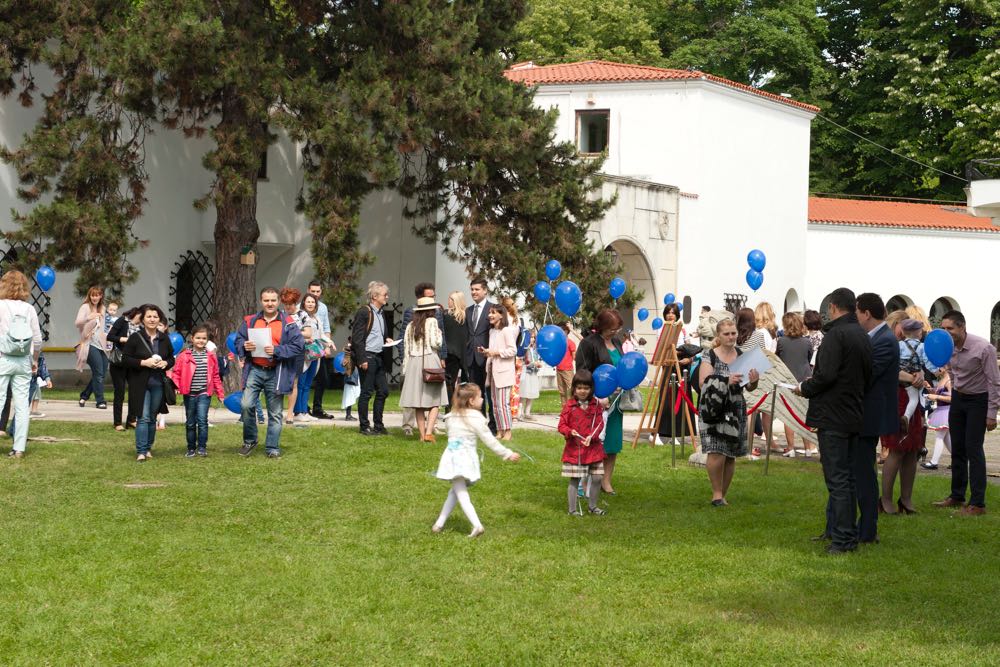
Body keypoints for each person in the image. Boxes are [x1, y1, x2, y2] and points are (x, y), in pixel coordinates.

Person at [796, 288, 872, 555]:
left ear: (833, 308)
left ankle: (842, 539)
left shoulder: (836, 335)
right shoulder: (861, 334)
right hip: (852, 413)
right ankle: (846, 535)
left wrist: (805, 388)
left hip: (833, 415)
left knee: (838, 479)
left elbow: (825, 375)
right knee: (847, 479)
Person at [823, 292, 898, 544]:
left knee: (863, 475)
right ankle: (838, 526)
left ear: (866, 313)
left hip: (867, 418)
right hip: (855, 414)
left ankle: (867, 531)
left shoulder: (884, 340)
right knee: (847, 473)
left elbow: (866, 376)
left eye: (856, 312)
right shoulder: (873, 338)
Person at [431, 383, 520, 537]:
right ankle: (454, 524)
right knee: (457, 491)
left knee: (457, 490)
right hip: (464, 460)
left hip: (453, 459)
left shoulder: (452, 417)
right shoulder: (475, 418)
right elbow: (489, 440)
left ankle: (445, 524)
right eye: (479, 397)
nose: (481, 400)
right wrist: (506, 453)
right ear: (471, 401)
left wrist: (506, 453)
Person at [933, 310, 1000, 516]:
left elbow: (994, 382)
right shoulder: (948, 347)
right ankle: (957, 495)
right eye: (943, 329)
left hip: (978, 401)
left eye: (950, 328)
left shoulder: (983, 348)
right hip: (959, 400)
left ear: (962, 327)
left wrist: (991, 413)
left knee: (973, 449)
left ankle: (978, 504)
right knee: (958, 449)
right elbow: (951, 371)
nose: (946, 333)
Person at [235, 287, 305, 457]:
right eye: (266, 300)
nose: (270, 303)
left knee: (274, 413)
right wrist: (244, 346)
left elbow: (298, 345)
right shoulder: (250, 320)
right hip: (255, 370)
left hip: (276, 372)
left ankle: (272, 447)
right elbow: (239, 340)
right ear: (261, 301)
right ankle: (250, 440)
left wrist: (277, 350)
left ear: (278, 301)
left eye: (273, 300)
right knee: (246, 405)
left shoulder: (288, 322)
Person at [698, 318, 759, 506]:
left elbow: (749, 388)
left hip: (735, 409)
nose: (731, 337)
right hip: (714, 408)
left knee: (731, 453)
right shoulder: (710, 355)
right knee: (715, 451)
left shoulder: (743, 355)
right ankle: (716, 493)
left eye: (733, 333)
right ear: (719, 335)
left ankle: (722, 495)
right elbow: (703, 382)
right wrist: (726, 380)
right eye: (727, 333)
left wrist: (754, 380)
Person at [880, 313, 930, 515]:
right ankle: (886, 500)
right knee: (897, 448)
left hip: (911, 397)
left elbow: (921, 366)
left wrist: (920, 375)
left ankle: (906, 499)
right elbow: (888, 370)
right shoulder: (890, 344)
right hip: (896, 397)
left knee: (913, 449)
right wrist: (913, 377)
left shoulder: (910, 346)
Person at [576, 309, 626, 495]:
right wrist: (596, 395)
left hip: (616, 402)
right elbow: (582, 372)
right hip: (596, 401)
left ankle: (606, 481)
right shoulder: (588, 344)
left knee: (612, 443)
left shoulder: (617, 341)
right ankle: (585, 483)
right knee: (593, 442)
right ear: (602, 327)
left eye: (618, 328)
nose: (616, 332)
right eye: (612, 328)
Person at [121, 304, 175, 462]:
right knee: (143, 417)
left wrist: (165, 363)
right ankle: (141, 451)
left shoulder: (164, 338)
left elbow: (171, 358)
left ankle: (149, 447)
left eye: (155, 317)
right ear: (143, 319)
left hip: (158, 383)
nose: (152, 319)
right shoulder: (135, 338)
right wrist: (144, 363)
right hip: (140, 383)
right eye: (149, 316)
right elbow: (125, 359)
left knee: (152, 417)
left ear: (160, 319)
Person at [0, 271, 43, 459]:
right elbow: (38, 340)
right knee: (22, 406)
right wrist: (34, 360)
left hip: (3, 358)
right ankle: (19, 448)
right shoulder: (29, 309)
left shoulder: (0, 306)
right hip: (24, 361)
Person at [170, 325, 225, 457]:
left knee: (202, 420)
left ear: (207, 340)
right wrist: (177, 386)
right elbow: (176, 373)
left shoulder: (211, 356)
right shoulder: (184, 356)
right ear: (192, 338)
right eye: (198, 338)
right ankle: (190, 448)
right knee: (190, 422)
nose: (201, 340)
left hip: (204, 394)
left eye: (204, 338)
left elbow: (216, 376)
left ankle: (201, 447)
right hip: (189, 394)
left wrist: (220, 393)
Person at [400, 282, 446, 435]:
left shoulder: (410, 326)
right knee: (434, 401)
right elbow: (436, 343)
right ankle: (428, 432)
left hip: (414, 362)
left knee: (418, 403)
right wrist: (438, 333)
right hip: (429, 360)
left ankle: (421, 435)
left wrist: (405, 368)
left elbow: (406, 348)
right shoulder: (432, 322)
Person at [558, 370, 607, 515]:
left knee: (598, 477)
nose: (583, 391)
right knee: (575, 479)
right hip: (576, 449)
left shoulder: (596, 405)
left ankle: (593, 507)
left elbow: (600, 423)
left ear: (591, 389)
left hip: (594, 448)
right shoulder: (569, 406)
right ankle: (572, 510)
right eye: (579, 388)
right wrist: (569, 431)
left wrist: (593, 436)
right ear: (574, 388)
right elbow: (561, 425)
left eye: (586, 388)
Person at [351, 281, 392, 436]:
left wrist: (386, 339)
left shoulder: (381, 313)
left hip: (379, 356)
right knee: (367, 392)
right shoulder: (364, 312)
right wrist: (362, 359)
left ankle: (378, 425)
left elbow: (378, 334)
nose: (387, 297)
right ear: (375, 296)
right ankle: (364, 426)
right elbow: (357, 338)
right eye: (384, 294)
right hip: (368, 356)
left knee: (383, 391)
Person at [775, 312, 817, 457]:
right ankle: (808, 448)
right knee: (805, 414)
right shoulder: (807, 342)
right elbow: (809, 357)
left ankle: (791, 447)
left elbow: (777, 359)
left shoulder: (781, 341)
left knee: (789, 415)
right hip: (804, 379)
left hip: (787, 380)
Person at [737, 306, 775, 459]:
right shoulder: (758, 335)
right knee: (751, 411)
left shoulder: (735, 335)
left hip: (738, 372)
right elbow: (763, 354)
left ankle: (741, 444)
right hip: (753, 374)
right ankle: (748, 446)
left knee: (742, 411)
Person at [655, 302, 694, 446]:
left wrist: (687, 358)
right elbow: (662, 348)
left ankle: (677, 434)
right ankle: (660, 432)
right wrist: (674, 352)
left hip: (682, 367)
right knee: (667, 399)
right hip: (668, 365)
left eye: (673, 312)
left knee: (682, 399)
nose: (670, 315)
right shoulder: (662, 328)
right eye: (668, 312)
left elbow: (690, 349)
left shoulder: (683, 330)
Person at [464, 277, 496, 433]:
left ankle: (493, 425)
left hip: (488, 357)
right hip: (471, 357)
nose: (473, 292)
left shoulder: (493, 309)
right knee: (476, 392)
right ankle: (480, 423)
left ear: (485, 290)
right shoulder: (468, 310)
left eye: (477, 289)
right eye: (472, 289)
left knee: (490, 393)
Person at [482, 303, 518, 441]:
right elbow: (493, 350)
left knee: (503, 404)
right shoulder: (492, 332)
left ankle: (508, 431)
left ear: (501, 315)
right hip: (492, 371)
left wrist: (495, 352)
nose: (490, 315)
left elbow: (512, 350)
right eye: (489, 312)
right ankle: (500, 430)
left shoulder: (507, 331)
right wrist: (487, 353)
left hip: (504, 372)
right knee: (495, 404)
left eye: (493, 312)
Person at [293, 293, 330, 423]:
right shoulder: (300, 317)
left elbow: (321, 334)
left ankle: (304, 411)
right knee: (301, 384)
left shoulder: (316, 318)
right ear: (303, 303)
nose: (310, 304)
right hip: (304, 354)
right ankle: (297, 411)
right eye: (308, 301)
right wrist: (307, 339)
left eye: (313, 302)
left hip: (315, 354)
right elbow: (296, 333)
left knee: (308, 384)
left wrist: (329, 342)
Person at [899, 318, 937, 432]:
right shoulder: (922, 346)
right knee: (915, 398)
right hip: (916, 376)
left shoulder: (899, 344)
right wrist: (936, 370)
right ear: (918, 333)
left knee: (913, 397)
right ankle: (907, 416)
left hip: (903, 375)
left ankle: (916, 415)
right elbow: (927, 362)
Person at [306, 280, 336, 420]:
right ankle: (302, 408)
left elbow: (326, 328)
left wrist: (327, 346)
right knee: (304, 379)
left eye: (318, 292)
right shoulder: (303, 306)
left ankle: (317, 408)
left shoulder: (323, 307)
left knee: (323, 378)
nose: (316, 294)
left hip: (319, 347)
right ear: (308, 290)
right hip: (306, 348)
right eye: (313, 291)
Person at [108, 306, 142, 431]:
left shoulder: (141, 328)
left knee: (134, 392)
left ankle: (131, 420)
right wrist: (123, 339)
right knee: (120, 393)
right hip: (119, 362)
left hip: (133, 363)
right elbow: (110, 336)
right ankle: (117, 422)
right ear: (136, 314)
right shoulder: (123, 321)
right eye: (142, 316)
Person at [75, 286, 109, 410]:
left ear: (101, 296)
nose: (94, 297)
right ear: (89, 296)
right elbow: (77, 323)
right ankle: (100, 401)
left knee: (101, 373)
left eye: (97, 295)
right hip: (89, 345)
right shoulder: (85, 307)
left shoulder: (103, 309)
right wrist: (88, 317)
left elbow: (104, 327)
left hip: (101, 345)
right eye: (92, 295)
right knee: (99, 373)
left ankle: (84, 395)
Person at [278, 287, 305, 425]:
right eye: (286, 304)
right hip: (282, 351)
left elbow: (308, 333)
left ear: (296, 303)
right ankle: (278, 411)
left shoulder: (302, 315)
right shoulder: (280, 315)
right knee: (279, 381)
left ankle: (290, 414)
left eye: (291, 304)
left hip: (297, 353)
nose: (288, 307)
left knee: (293, 382)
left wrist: (294, 332)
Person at [443, 291, 468, 411]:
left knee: (448, 382)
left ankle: (450, 408)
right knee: (455, 382)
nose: (449, 301)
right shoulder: (466, 317)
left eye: (451, 299)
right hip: (460, 354)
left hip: (449, 353)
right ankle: (455, 407)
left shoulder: (446, 315)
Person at [922, 370, 952, 470]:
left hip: (946, 411)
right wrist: (929, 388)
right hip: (941, 411)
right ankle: (960, 458)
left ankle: (934, 462)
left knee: (940, 436)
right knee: (946, 438)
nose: (934, 370)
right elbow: (938, 392)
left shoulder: (950, 380)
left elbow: (952, 398)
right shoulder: (942, 379)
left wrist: (936, 397)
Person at [501, 297, 523, 421]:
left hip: (506, 354)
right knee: (515, 387)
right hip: (517, 356)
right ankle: (514, 414)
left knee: (504, 386)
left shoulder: (504, 320)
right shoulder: (517, 320)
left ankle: (505, 411)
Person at [519, 331, 541, 420]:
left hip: (533, 373)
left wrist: (538, 364)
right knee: (523, 392)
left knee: (531, 393)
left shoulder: (535, 349)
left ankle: (527, 412)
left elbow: (537, 359)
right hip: (525, 373)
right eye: (531, 337)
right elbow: (522, 362)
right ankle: (519, 413)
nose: (532, 339)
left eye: (533, 337)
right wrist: (533, 364)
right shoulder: (523, 349)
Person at [555, 322, 577, 404]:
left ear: (567, 331)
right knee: (562, 392)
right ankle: (564, 411)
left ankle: (573, 409)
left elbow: (574, 357)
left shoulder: (570, 342)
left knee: (572, 389)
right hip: (559, 369)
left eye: (562, 331)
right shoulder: (557, 343)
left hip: (568, 370)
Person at [29, 351, 52, 418]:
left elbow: (42, 366)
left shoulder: (38, 352)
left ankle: (34, 411)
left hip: (33, 378)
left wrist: (47, 379)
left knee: (36, 393)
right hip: (21, 377)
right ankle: (21, 412)